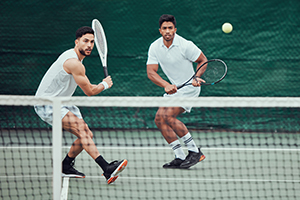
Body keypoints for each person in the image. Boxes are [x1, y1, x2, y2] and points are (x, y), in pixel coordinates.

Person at [34, 26, 127, 184]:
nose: (89, 45)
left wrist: (103, 84)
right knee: (82, 131)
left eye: (92, 42)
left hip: (63, 102)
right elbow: (90, 91)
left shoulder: (78, 62)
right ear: (76, 42)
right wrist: (104, 85)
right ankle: (106, 168)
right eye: (85, 41)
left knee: (86, 135)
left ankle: (65, 166)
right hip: (47, 103)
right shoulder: (73, 63)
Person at [146, 14, 207, 169]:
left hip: (189, 89)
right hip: (174, 89)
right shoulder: (154, 47)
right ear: (160, 30)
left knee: (168, 116)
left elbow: (203, 60)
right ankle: (179, 156)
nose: (168, 31)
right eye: (165, 28)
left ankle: (194, 151)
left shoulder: (185, 45)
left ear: (175, 29)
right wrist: (166, 85)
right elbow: (151, 72)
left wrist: (197, 77)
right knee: (159, 119)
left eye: (170, 28)